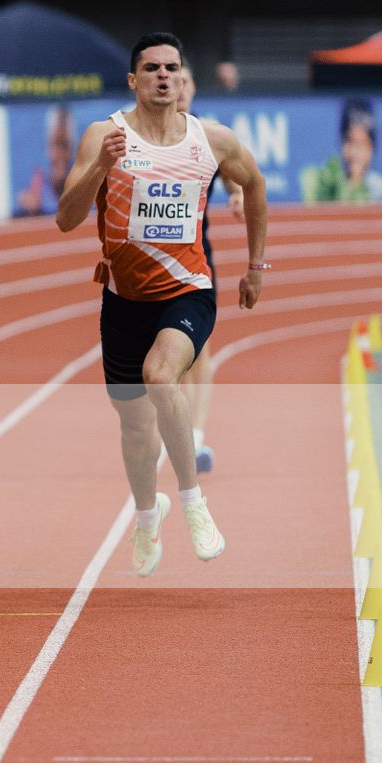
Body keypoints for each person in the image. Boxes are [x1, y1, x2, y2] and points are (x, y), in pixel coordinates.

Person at [55, 33, 268, 577]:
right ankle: (148, 517)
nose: (163, 76)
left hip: (188, 288)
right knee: (132, 428)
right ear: (133, 80)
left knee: (160, 374)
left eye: (172, 68)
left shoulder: (210, 139)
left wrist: (254, 266)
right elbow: (65, 218)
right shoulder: (105, 135)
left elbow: (256, 184)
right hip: (123, 300)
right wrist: (100, 168)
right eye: (151, 69)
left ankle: (194, 504)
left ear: (183, 78)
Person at [175, 69, 246, 474]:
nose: (179, 88)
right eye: (172, 80)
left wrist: (236, 196)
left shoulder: (207, 137)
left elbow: (235, 174)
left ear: (195, 89)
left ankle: (196, 436)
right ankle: (178, 426)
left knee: (200, 348)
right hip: (155, 264)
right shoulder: (148, 138)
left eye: (187, 81)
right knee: (169, 354)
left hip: (198, 258)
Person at [302, 98, 382, 203]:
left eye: (362, 145)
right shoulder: (323, 180)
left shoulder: (378, 187)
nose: (355, 154)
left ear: (372, 148)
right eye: (350, 142)